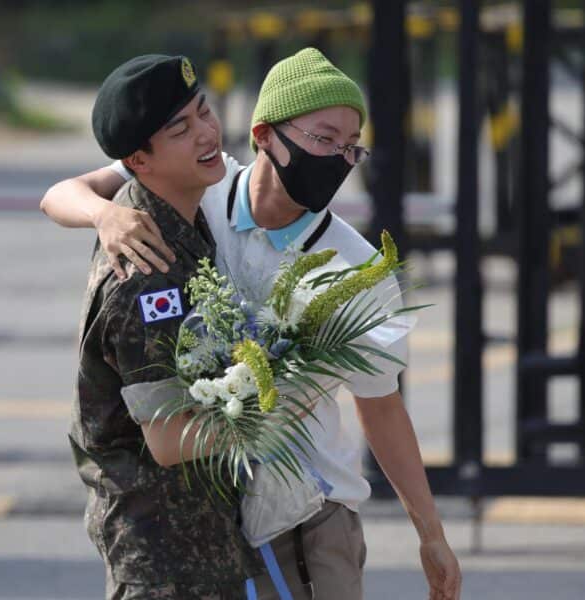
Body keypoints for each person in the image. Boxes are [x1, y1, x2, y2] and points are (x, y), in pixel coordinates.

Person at [44, 48, 461, 600]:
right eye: (322, 138)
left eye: (350, 147)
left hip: (307, 519)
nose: (338, 157)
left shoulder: (356, 268)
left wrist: (429, 533)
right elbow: (64, 192)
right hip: (205, 528)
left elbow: (381, 405)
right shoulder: (194, 200)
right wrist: (106, 214)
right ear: (265, 135)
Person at [66, 53, 262, 600]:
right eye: (181, 129)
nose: (206, 133)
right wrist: (284, 401)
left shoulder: (175, 220)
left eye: (204, 112)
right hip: (165, 565)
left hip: (198, 548)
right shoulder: (147, 270)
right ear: (138, 160)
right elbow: (171, 438)